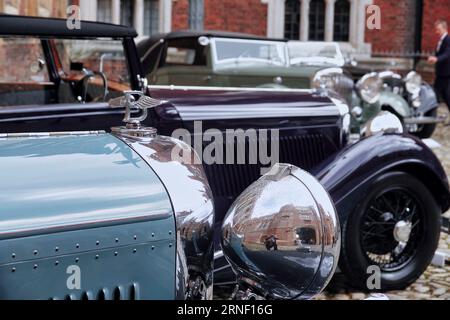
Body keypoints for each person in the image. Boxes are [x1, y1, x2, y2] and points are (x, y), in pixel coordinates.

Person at [428, 20, 450, 113]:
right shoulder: (440, 41)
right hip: (440, 74)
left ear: (445, 29)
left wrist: (437, 59)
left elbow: (447, 54)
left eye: (438, 30)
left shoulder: (448, 40)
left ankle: (433, 115)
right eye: (436, 30)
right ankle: (433, 114)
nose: (436, 32)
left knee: (446, 96)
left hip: (446, 74)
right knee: (437, 95)